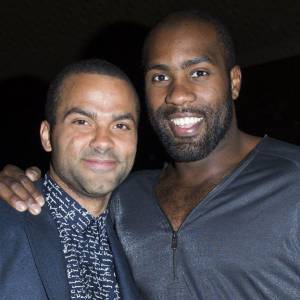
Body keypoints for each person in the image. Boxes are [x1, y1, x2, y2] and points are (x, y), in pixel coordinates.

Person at [1, 10, 300, 300]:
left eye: (198, 72)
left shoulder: (293, 179)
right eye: (159, 77)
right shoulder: (125, 197)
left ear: (234, 82)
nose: (178, 94)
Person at [0, 59, 140, 300]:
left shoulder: (137, 233)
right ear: (47, 136)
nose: (103, 141)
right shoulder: (6, 222)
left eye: (120, 125)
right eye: (82, 122)